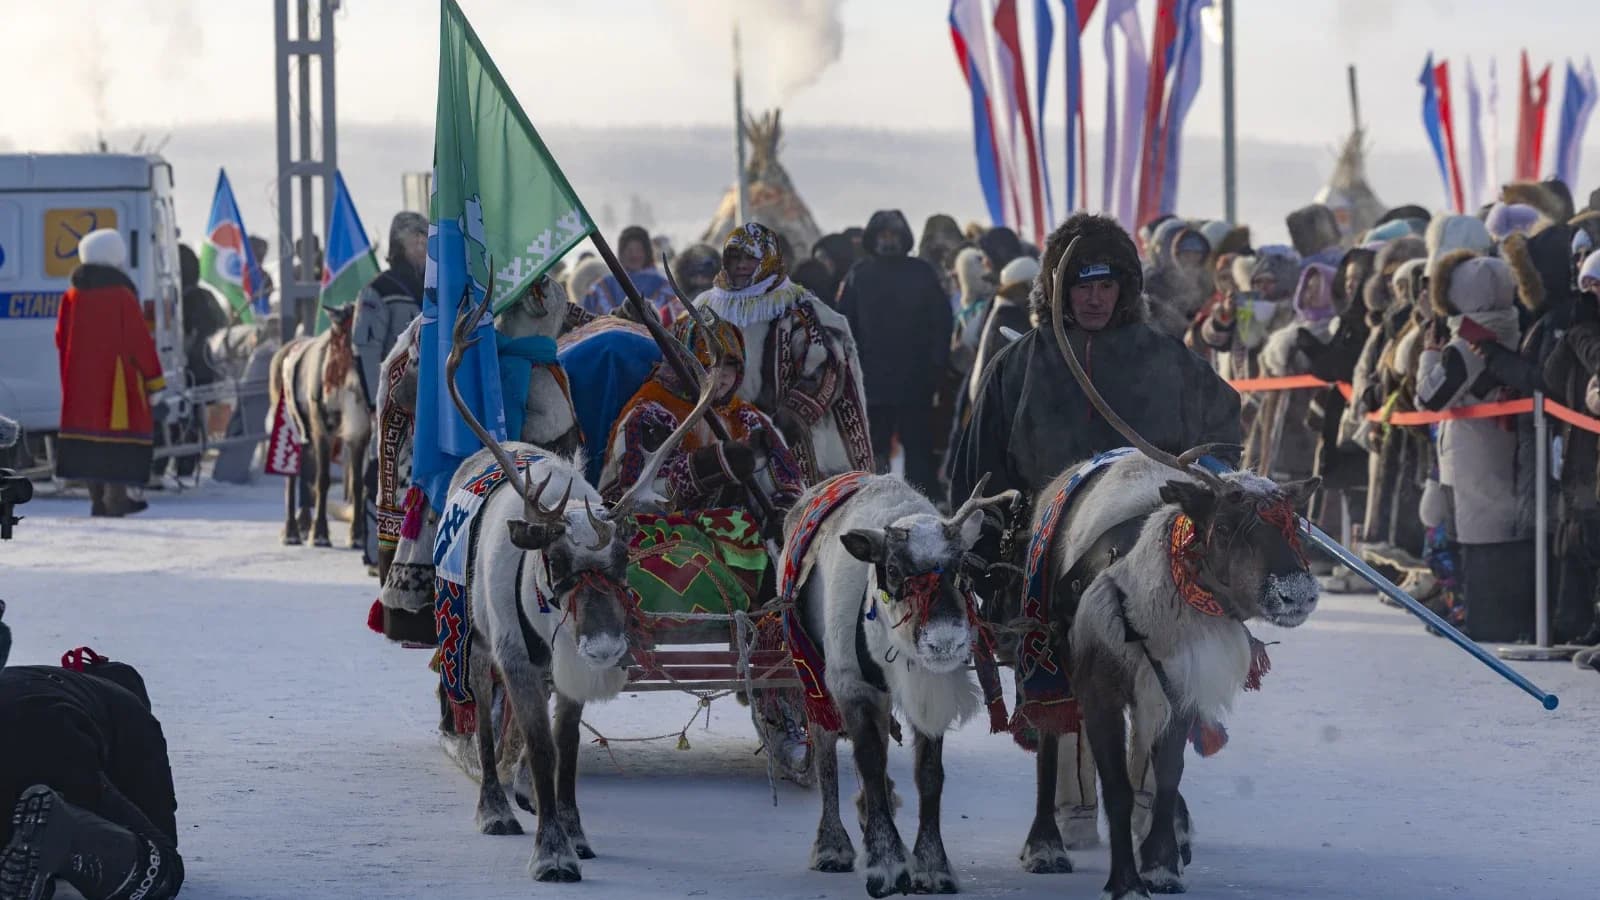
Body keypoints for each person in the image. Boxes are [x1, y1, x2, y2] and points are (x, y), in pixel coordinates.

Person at [952, 211, 1242, 552]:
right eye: (1083, 286)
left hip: (1146, 543)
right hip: (1037, 546)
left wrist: (1202, 501)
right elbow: (980, 467)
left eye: (1106, 286)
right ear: (1058, 288)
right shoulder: (1016, 365)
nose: (1095, 299)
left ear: (1125, 288)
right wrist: (986, 549)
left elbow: (1221, 425)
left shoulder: (1167, 358)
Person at [0, 622, 184, 900]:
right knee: (163, 867)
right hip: (52, 740)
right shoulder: (131, 713)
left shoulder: (22, 676)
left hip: (24, 733)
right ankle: (62, 835)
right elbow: (157, 817)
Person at [1416, 250, 1537, 641]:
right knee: (1494, 534)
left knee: (1474, 539)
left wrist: (1429, 355)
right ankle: (1483, 616)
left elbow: (1429, 397)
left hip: (1471, 460)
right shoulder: (1513, 328)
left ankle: (1479, 619)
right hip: (1499, 455)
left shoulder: (1467, 343)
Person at [693, 222, 873, 484]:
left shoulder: (796, 306)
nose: (742, 265)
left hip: (786, 441)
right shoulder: (705, 305)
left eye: (751, 257)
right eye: (735, 257)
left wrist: (784, 424)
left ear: (768, 258)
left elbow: (825, 370)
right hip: (719, 432)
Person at [836, 210, 952, 496]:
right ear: (874, 238)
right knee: (874, 448)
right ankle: (872, 499)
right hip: (871, 379)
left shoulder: (921, 272)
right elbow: (844, 325)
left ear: (904, 238)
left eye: (894, 235)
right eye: (883, 235)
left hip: (916, 378)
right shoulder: (859, 274)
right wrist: (849, 370)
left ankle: (924, 500)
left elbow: (941, 321)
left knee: (918, 446)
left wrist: (936, 367)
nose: (888, 240)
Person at [54, 230, 166, 518]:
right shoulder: (121, 295)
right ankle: (116, 499)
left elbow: (60, 338)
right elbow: (138, 340)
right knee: (118, 437)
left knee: (88, 437)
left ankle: (96, 501)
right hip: (117, 379)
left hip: (80, 380)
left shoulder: (72, 295)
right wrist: (154, 380)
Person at [352, 212, 428, 413]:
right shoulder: (379, 291)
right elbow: (366, 349)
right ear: (399, 245)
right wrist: (376, 404)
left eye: (426, 238)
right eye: (415, 238)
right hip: (394, 402)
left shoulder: (437, 291)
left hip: (432, 397)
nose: (422, 244)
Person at [582, 226, 678, 322]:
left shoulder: (664, 286)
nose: (634, 255)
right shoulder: (602, 286)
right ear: (622, 253)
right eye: (629, 250)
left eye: (638, 250)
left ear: (647, 252)